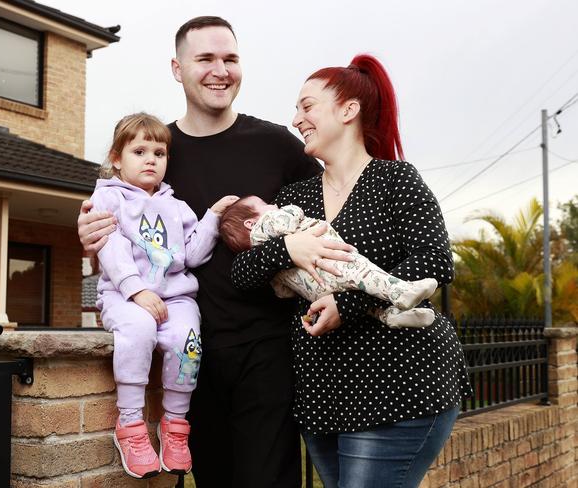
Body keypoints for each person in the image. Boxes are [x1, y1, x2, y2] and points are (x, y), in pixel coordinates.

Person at [77, 17, 346, 488]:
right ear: (178, 68)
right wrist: (90, 233)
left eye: (230, 59)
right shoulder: (157, 149)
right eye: (205, 59)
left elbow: (330, 217)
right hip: (189, 348)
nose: (220, 70)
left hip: (268, 348)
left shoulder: (276, 145)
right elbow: (118, 235)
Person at [230, 55, 472, 488]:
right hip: (324, 396)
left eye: (307, 106)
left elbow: (434, 261)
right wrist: (288, 247)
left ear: (348, 110)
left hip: (399, 385)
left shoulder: (395, 180)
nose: (296, 119)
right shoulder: (294, 196)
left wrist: (349, 302)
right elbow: (243, 272)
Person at [90, 112, 237, 479]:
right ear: (117, 158)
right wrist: (136, 289)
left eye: (159, 152)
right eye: (139, 151)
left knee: (188, 342)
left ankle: (174, 426)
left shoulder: (175, 205)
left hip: (175, 298)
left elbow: (191, 254)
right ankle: (130, 426)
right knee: (138, 331)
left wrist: (214, 218)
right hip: (124, 297)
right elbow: (110, 247)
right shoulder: (107, 199)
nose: (151, 159)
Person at [219, 196, 438, 328]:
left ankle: (390, 316)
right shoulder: (266, 225)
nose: (274, 204)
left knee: (367, 304)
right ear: (250, 223)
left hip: (318, 293)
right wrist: (291, 211)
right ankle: (399, 291)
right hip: (330, 266)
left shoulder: (267, 260)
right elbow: (287, 221)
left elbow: (282, 292)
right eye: (265, 204)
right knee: (362, 272)